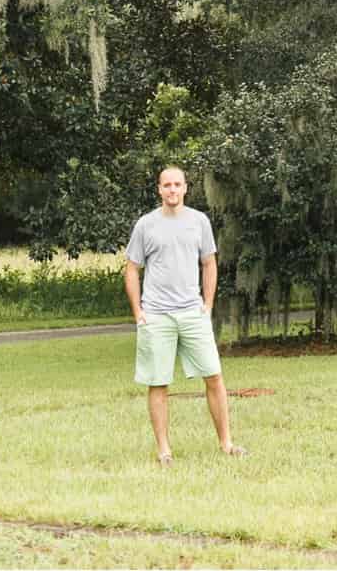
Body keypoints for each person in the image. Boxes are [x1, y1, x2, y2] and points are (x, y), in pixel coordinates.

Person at [124, 165, 245, 466]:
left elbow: (209, 263)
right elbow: (131, 268)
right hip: (157, 315)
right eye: (167, 185)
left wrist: (208, 305)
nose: (172, 190)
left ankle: (227, 443)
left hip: (193, 313)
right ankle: (164, 450)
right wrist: (139, 312)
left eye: (178, 184)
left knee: (214, 377)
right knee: (158, 382)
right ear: (159, 189)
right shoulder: (146, 225)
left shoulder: (199, 222)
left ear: (186, 188)